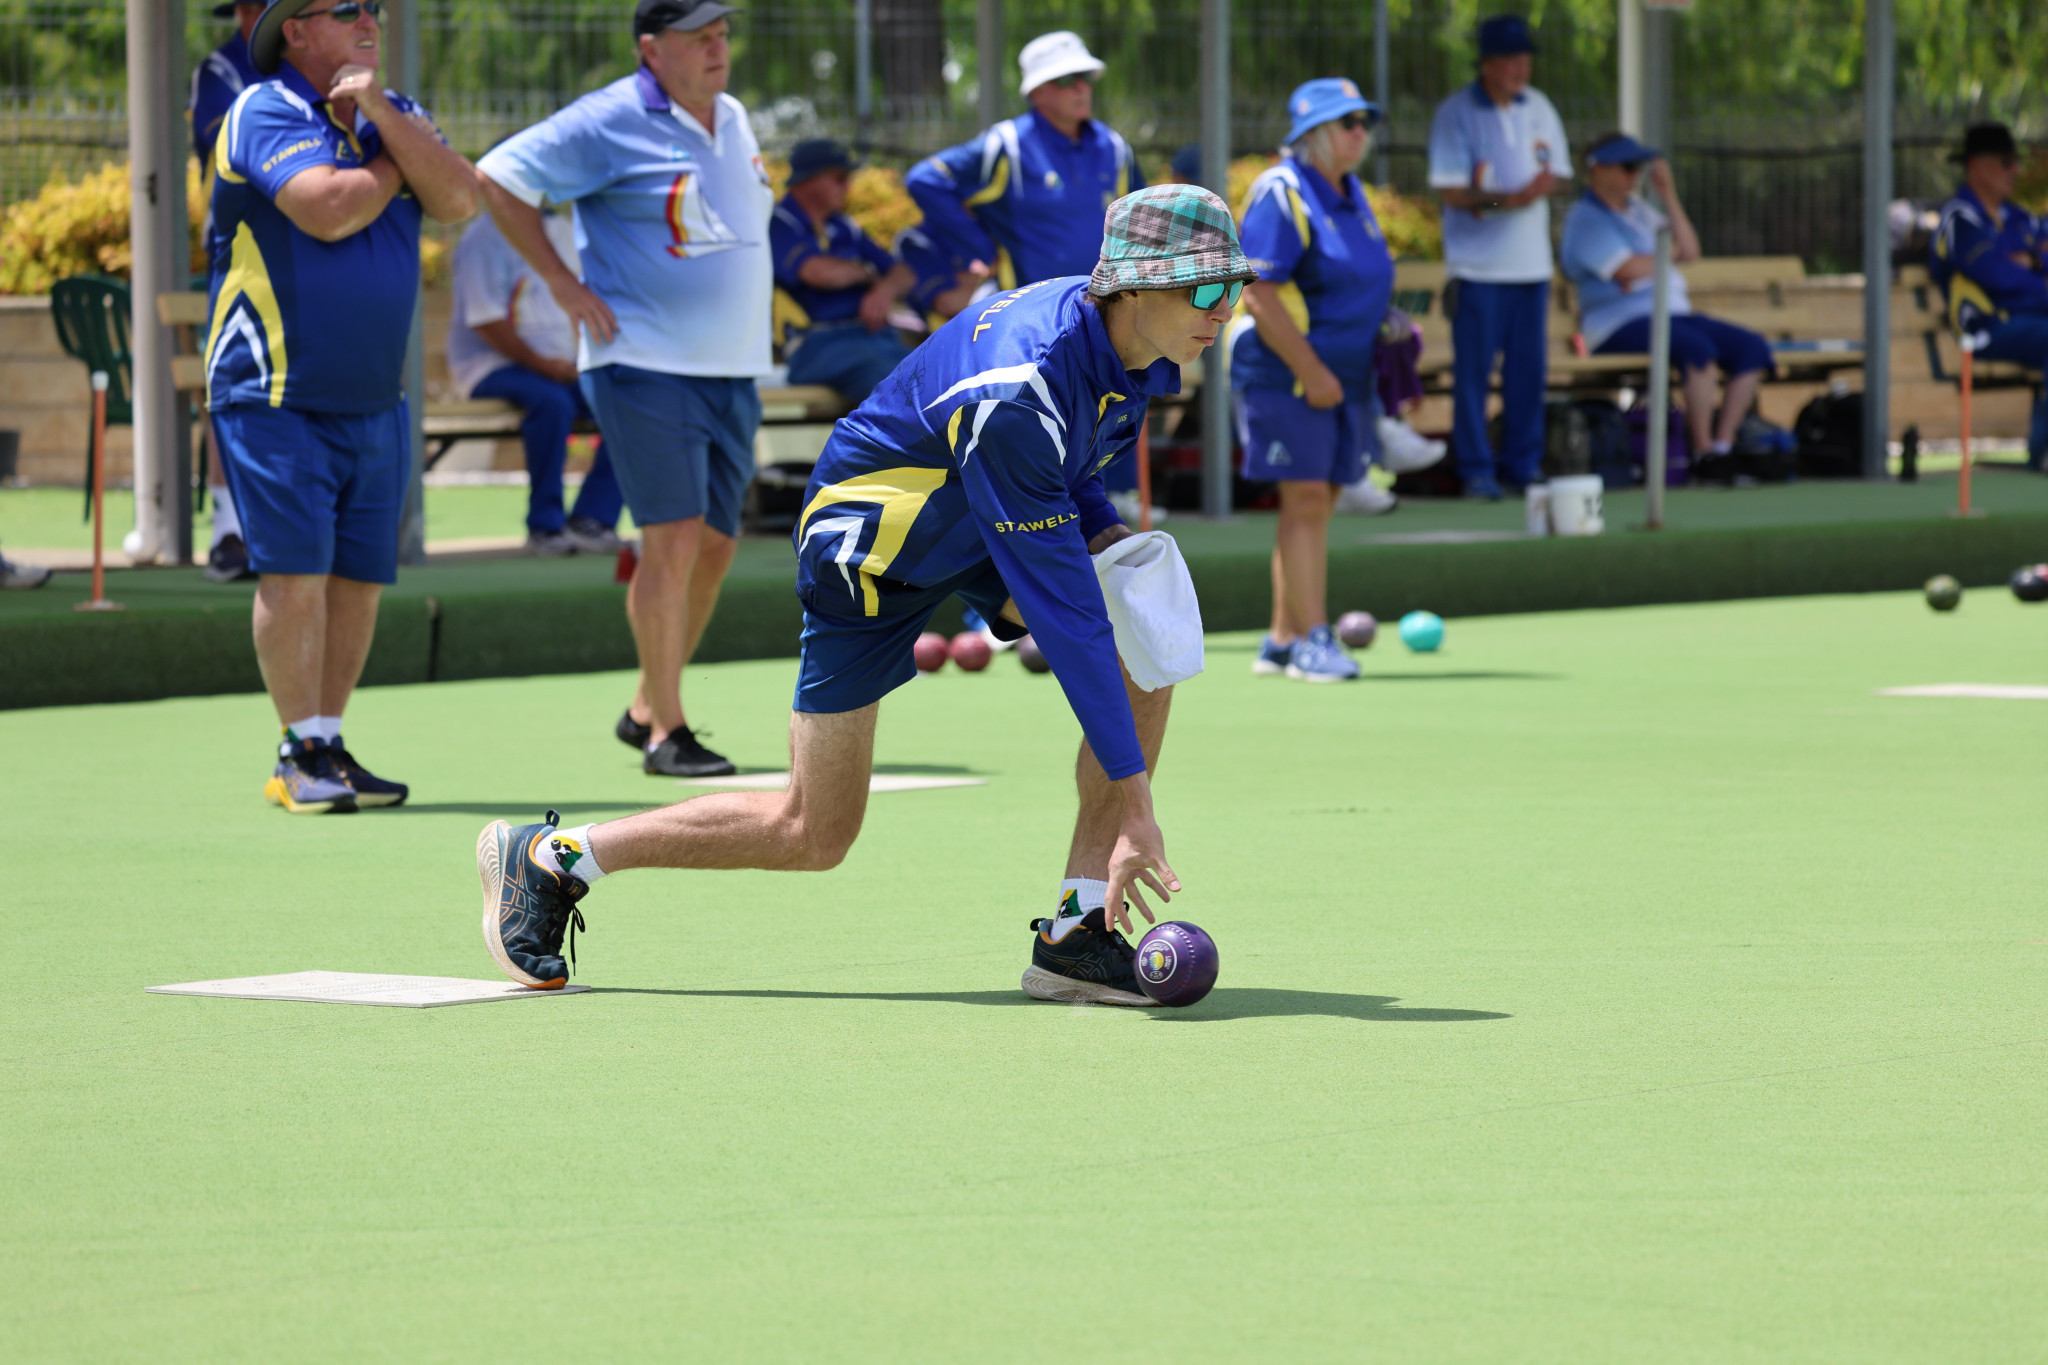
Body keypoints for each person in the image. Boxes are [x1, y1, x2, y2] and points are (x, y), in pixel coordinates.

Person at [474, 185, 1254, 1003]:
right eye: (1203, 287)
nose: (1224, 307)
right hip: (872, 546)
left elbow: (1074, 463)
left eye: (1234, 286)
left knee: (1141, 632)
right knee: (812, 831)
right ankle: (550, 857)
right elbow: (1066, 614)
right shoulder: (1019, 390)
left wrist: (1106, 535)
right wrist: (1137, 807)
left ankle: (1076, 931)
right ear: (1129, 287)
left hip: (981, 514)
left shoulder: (1137, 349)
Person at [477, 0, 771, 778]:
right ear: (651, 49)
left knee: (715, 544)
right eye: (698, 36)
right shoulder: (606, 118)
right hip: (642, 362)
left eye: (723, 32)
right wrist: (563, 286)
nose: (718, 46)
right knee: (671, 539)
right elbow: (499, 179)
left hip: (731, 365)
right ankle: (666, 732)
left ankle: (647, 702)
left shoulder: (733, 115)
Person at [204, 0, 476, 813]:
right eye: (347, 8)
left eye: (377, 8)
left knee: (358, 580)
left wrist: (385, 121)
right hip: (274, 389)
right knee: (295, 576)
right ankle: (298, 751)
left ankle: (328, 740)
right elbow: (326, 210)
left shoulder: (397, 114)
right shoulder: (261, 108)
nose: (371, 21)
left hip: (372, 396)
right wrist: (401, 166)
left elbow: (461, 198)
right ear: (295, 29)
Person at [1233, 79, 1393, 683]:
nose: (1360, 132)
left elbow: (1357, 278)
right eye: (1348, 121)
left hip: (1341, 374)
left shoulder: (1351, 191)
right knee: (1303, 499)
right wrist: (1312, 372)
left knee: (1316, 503)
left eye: (1364, 121)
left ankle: (1282, 639)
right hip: (1287, 373)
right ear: (1314, 133)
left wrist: (1388, 322)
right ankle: (1314, 642)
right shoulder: (1283, 189)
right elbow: (1260, 292)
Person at [1561, 133, 1774, 463]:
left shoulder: (1639, 210)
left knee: (1752, 349)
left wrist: (1668, 195)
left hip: (1673, 315)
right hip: (1618, 324)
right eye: (1627, 167)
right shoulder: (1585, 218)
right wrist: (1666, 256)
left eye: (1638, 168)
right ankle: (1703, 452)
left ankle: (1724, 445)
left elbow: (1689, 250)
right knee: (1697, 350)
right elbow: (1625, 269)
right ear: (1597, 170)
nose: (1635, 176)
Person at [1427, 13, 1570, 499]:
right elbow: (1450, 192)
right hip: (1478, 270)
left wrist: (1540, 189)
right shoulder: (1455, 113)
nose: (1520, 68)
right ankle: (1475, 469)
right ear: (1487, 63)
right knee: (1473, 376)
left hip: (1532, 269)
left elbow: (1560, 172)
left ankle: (1523, 465)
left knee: (1529, 375)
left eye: (1525, 58)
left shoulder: (1541, 107)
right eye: (1510, 59)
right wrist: (1505, 200)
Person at [446, 207, 625, 555]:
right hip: (489, 365)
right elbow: (486, 321)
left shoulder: (561, 230)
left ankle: (593, 518)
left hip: (557, 366)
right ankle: (545, 526)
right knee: (551, 403)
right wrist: (544, 365)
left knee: (624, 402)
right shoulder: (483, 235)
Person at [905, 31, 1143, 292]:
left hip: (1105, 310)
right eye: (1067, 79)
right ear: (1037, 92)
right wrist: (982, 250)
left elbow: (1143, 223)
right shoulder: (1007, 144)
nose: (1082, 87)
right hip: (1029, 315)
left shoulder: (1115, 147)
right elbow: (924, 179)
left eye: (1086, 76)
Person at [188, 0, 266, 584]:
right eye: (253, 3)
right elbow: (228, 143)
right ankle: (227, 532)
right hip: (241, 256)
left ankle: (275, 532)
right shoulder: (221, 70)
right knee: (233, 390)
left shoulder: (320, 63)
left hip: (311, 258)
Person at [1929, 122, 2048, 471]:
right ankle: (2043, 452)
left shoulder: (2021, 219)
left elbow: (2019, 271)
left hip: (2032, 321)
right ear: (1977, 165)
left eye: (2015, 162)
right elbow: (1996, 275)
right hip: (1985, 329)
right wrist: (2037, 278)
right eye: (2006, 162)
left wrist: (2034, 260)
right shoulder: (1959, 219)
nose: (2016, 170)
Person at [770, 139, 917, 404]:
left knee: (931, 372)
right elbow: (819, 274)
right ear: (809, 179)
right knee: (895, 389)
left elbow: (904, 273)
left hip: (871, 338)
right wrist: (867, 274)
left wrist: (883, 290)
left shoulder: (844, 224)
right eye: (839, 177)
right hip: (814, 345)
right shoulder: (778, 222)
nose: (848, 185)